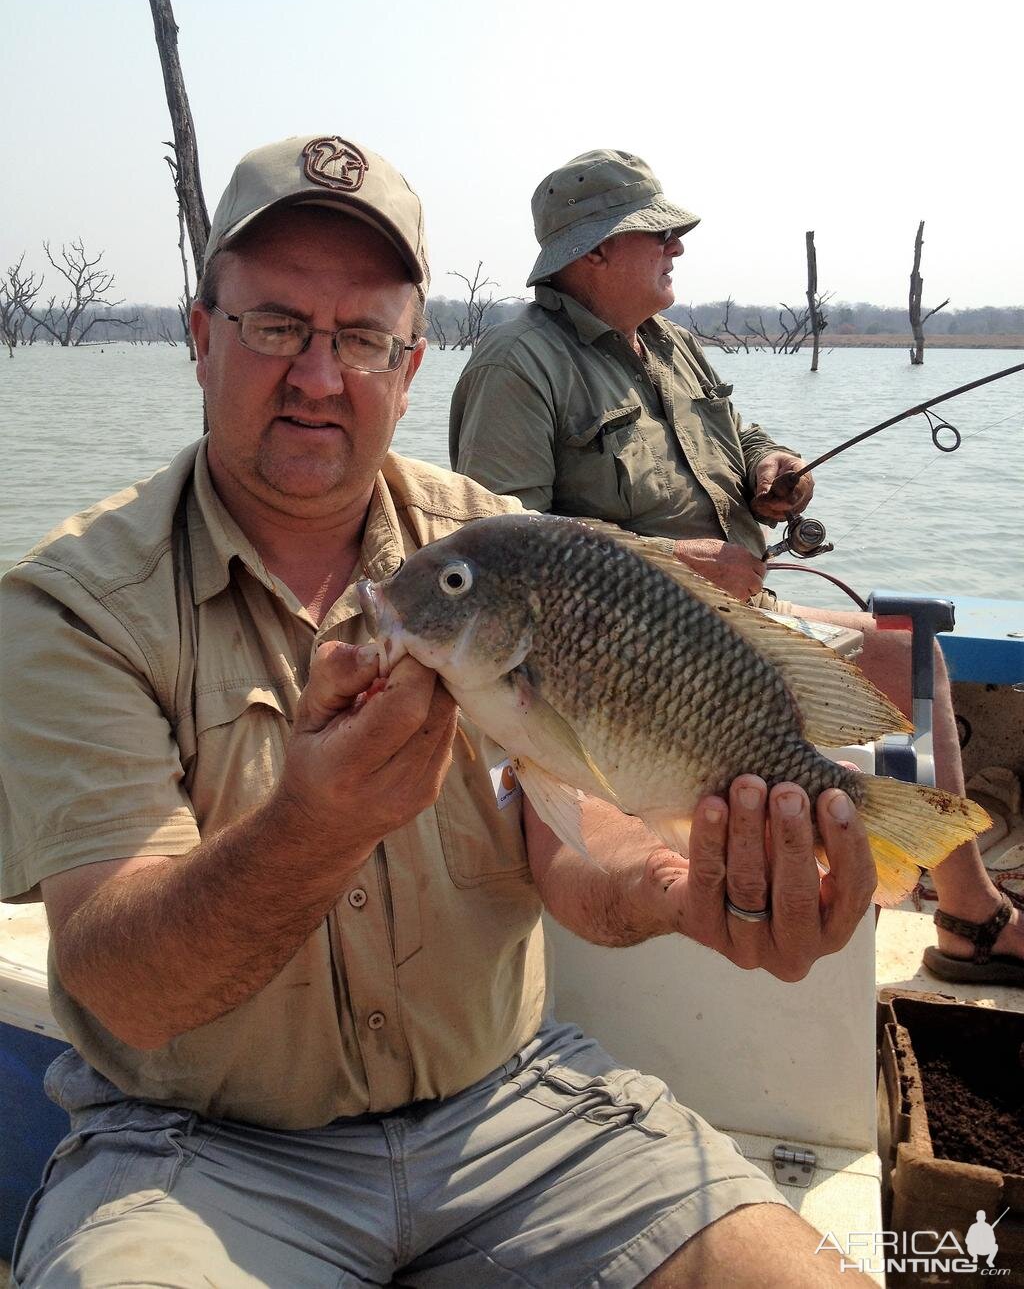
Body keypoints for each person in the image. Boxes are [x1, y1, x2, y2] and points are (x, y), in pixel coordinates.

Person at [0, 133, 879, 1289]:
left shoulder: (502, 548)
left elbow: (574, 833)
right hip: (197, 1153)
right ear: (201, 334)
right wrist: (312, 825)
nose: (320, 374)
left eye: (362, 336)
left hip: (516, 1112)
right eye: (275, 325)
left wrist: (684, 888)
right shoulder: (72, 607)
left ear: (409, 368)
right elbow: (122, 983)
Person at [450, 148, 1024, 984]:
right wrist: (675, 562)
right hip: (626, 666)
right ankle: (949, 904)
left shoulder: (673, 346)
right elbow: (500, 541)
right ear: (593, 252)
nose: (677, 245)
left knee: (911, 654)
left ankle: (966, 916)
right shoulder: (518, 365)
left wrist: (770, 470)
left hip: (743, 626)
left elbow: (742, 434)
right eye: (657, 232)